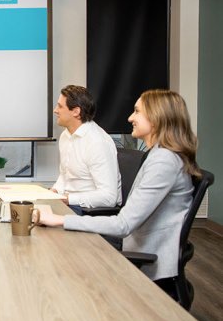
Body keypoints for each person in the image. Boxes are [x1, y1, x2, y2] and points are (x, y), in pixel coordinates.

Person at [40, 89, 199, 298]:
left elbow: (123, 225)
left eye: (137, 112)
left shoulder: (163, 161)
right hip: (137, 244)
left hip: (150, 264)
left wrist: (60, 220)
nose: (130, 117)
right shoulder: (159, 154)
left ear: (157, 117)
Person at [51, 85, 122, 214]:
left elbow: (109, 197)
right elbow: (65, 176)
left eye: (60, 106)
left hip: (88, 210)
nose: (56, 110)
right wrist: (54, 191)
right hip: (70, 204)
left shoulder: (98, 143)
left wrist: (69, 199)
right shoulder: (65, 136)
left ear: (76, 111)